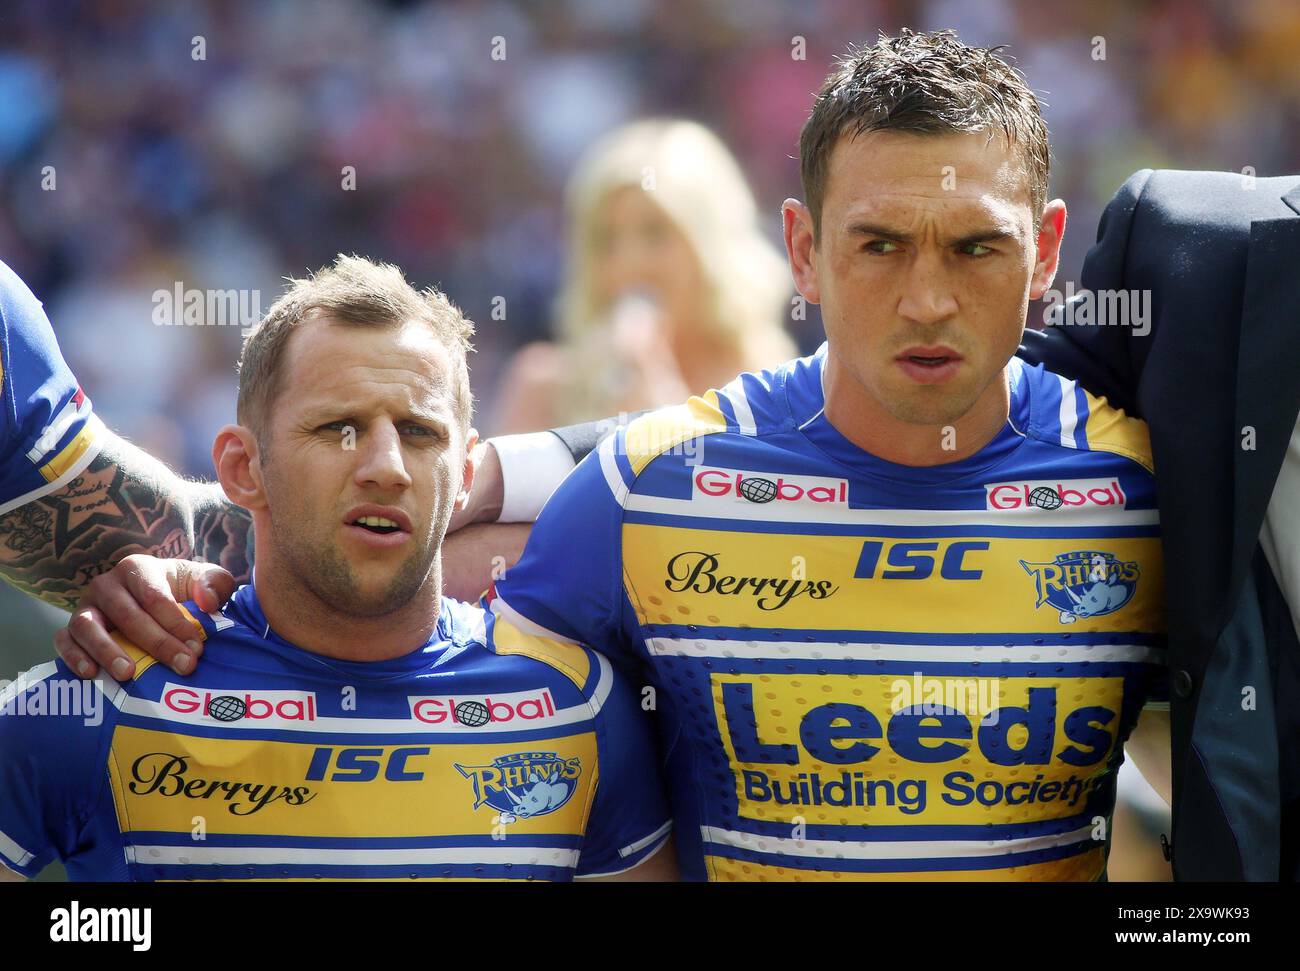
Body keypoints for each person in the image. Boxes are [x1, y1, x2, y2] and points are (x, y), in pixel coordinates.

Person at [52, 31, 1173, 881]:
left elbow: (1224, 809)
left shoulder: (1148, 492)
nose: (926, 296)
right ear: (801, 249)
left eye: (977, 246)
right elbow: (379, 640)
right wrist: (192, 588)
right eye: (877, 244)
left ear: (1047, 253)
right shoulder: (648, 490)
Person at [0, 255, 673, 882]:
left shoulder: (581, 710)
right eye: (337, 429)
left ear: (466, 473)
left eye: (419, 432)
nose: (385, 465)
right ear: (242, 467)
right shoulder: (100, 699)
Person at [491, 118, 797, 434]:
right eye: (607, 239)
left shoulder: (773, 386)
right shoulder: (543, 389)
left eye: (656, 233)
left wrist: (659, 402)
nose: (630, 263)